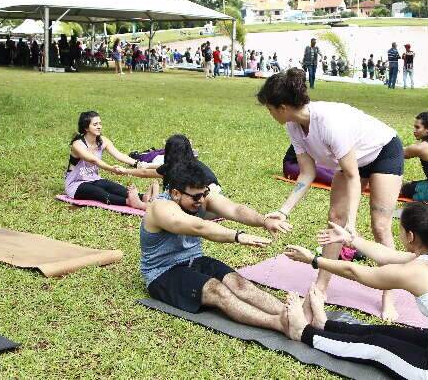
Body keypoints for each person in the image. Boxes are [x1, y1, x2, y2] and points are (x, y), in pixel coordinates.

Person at [256, 69, 404, 321]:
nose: (269, 114)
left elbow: (353, 176)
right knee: (334, 218)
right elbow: (306, 174)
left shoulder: (328, 122)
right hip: (351, 162)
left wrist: (352, 224)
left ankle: (388, 296)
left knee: (380, 227)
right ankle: (321, 286)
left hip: (382, 152)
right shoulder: (293, 124)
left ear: (282, 107)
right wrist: (283, 210)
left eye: (269, 109)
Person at [283, 202, 428, 380]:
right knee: (385, 332)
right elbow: (385, 256)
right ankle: (323, 324)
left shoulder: (415, 271)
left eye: (399, 229)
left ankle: (303, 332)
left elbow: (354, 271)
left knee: (376, 346)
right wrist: (350, 239)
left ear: (410, 235)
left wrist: (314, 259)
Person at [141, 161, 293, 334]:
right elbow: (200, 227)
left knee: (240, 284)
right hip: (163, 272)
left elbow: (235, 209)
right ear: (176, 193)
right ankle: (280, 323)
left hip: (194, 259)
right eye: (196, 197)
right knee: (218, 291)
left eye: (204, 193)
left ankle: (289, 313)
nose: (202, 200)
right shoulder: (161, 208)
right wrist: (238, 236)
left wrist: (264, 221)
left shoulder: (199, 197)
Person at [65, 111, 157, 210]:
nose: (99, 126)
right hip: (76, 184)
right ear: (86, 128)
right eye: (95, 124)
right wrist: (111, 169)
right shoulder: (77, 145)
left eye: (100, 123)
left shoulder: (102, 140)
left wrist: (137, 164)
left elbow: (119, 155)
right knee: (98, 192)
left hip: (94, 179)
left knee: (114, 187)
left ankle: (143, 197)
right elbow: (94, 160)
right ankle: (129, 202)